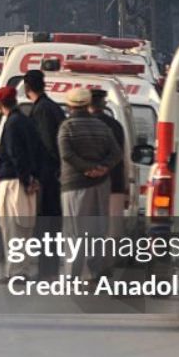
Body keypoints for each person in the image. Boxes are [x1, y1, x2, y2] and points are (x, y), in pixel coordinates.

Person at [58, 88, 122, 280]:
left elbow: (67, 154)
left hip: (74, 185)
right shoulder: (103, 127)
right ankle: (96, 270)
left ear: (70, 105)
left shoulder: (67, 127)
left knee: (74, 232)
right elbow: (116, 153)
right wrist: (102, 168)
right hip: (101, 185)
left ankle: (73, 273)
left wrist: (86, 169)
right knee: (97, 230)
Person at [0, 86, 43, 284]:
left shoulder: (12, 123)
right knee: (24, 230)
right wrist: (33, 178)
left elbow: (16, 155)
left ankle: (15, 273)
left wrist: (25, 180)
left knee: (12, 227)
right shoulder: (26, 121)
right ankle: (21, 270)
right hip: (25, 181)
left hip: (15, 182)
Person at [22, 69, 66, 279]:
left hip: (48, 177)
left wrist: (39, 175)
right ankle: (48, 269)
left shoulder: (42, 110)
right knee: (50, 225)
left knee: (47, 226)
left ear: (26, 87)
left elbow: (47, 144)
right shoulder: (51, 107)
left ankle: (47, 271)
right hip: (53, 175)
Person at [89, 89, 129, 228]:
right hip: (114, 183)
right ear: (104, 103)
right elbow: (122, 155)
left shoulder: (83, 125)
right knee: (113, 232)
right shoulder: (116, 125)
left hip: (90, 184)